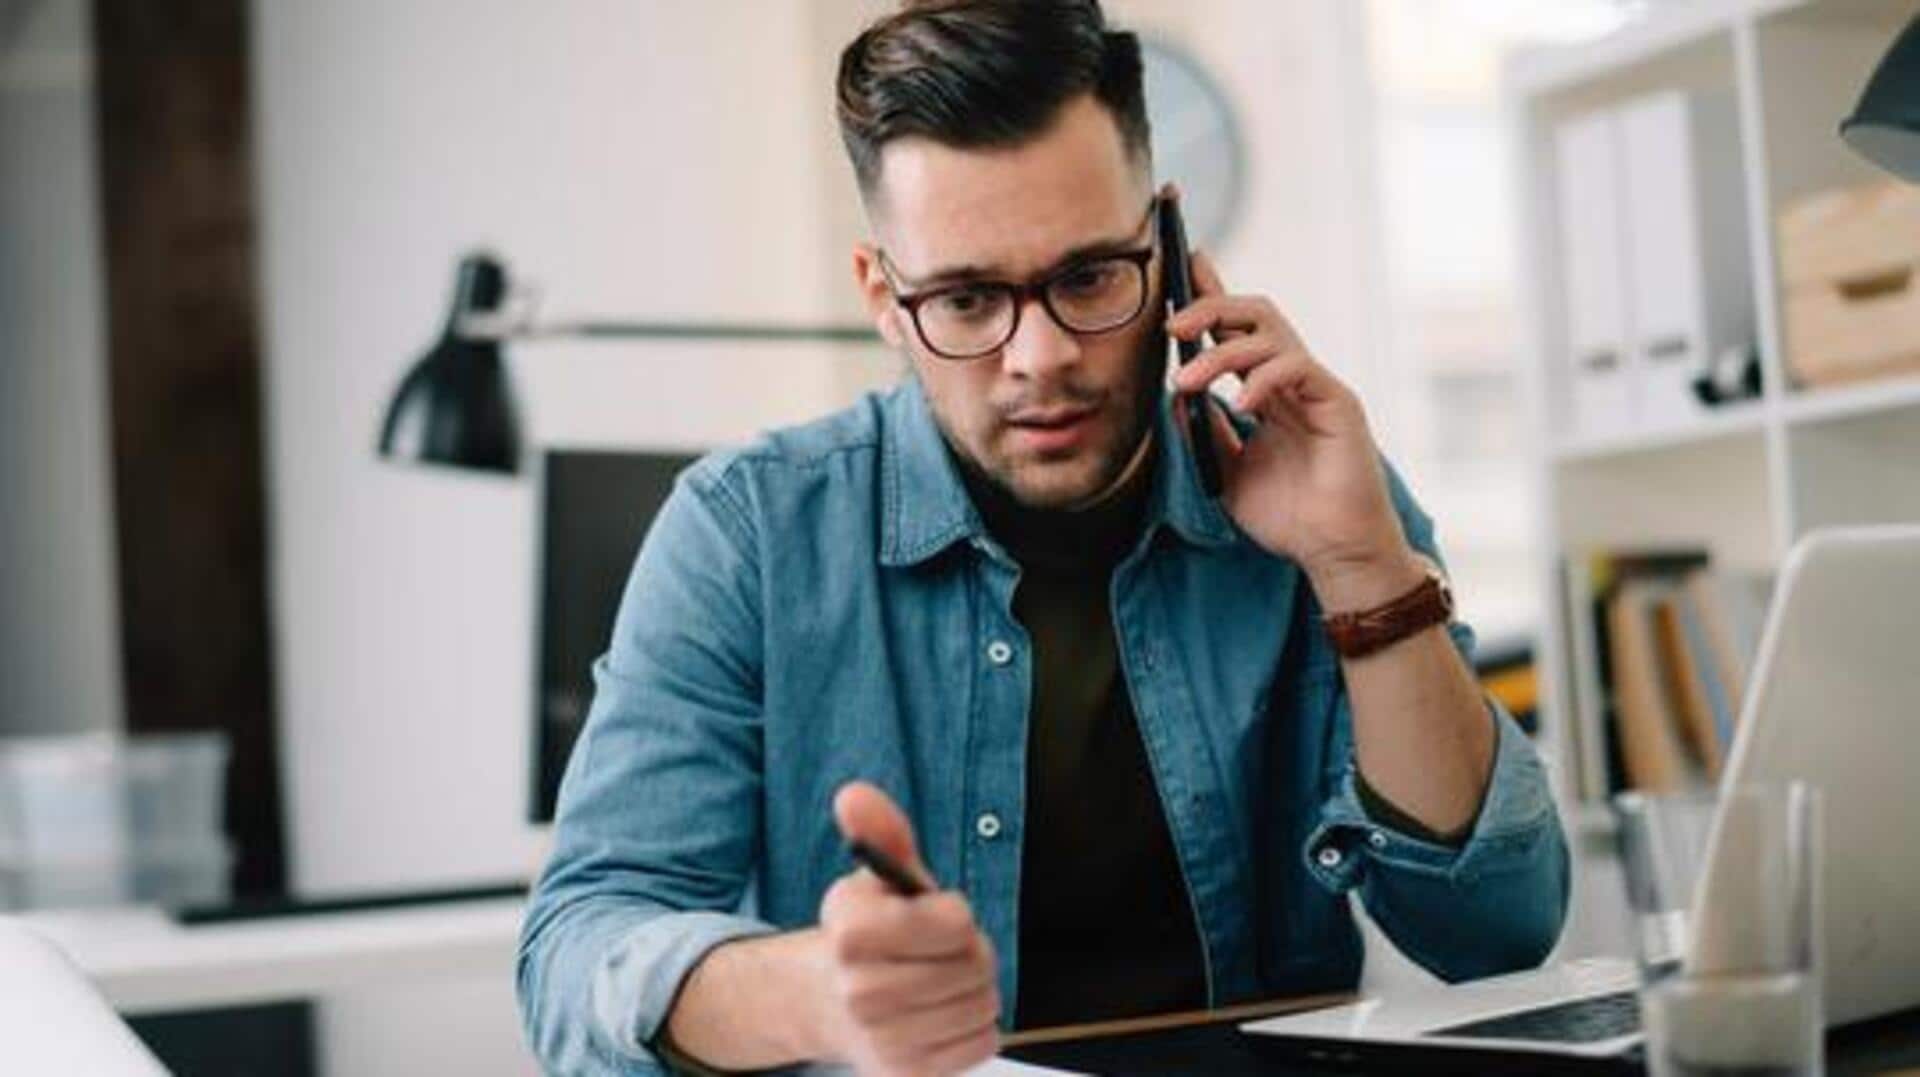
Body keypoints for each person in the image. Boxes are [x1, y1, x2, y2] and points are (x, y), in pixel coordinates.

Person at [517, 1, 1569, 1073]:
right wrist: (809, 993)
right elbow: (576, 954)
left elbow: (1497, 933)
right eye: (969, 299)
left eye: (1086, 278)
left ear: (1164, 245)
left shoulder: (1316, 486)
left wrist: (1361, 569)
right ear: (884, 294)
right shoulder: (745, 535)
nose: (1040, 357)